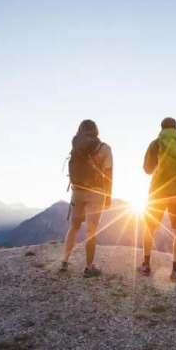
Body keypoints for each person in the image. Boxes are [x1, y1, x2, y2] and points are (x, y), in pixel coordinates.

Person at [137, 117, 176, 282]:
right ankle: (175, 270)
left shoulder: (156, 144)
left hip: (157, 192)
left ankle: (146, 265)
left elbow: (147, 169)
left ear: (161, 128)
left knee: (150, 227)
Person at [60, 119, 113, 277]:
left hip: (77, 191)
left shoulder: (76, 147)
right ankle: (89, 268)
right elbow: (108, 173)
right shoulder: (104, 148)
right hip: (96, 192)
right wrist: (108, 196)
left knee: (74, 226)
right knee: (91, 230)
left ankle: (64, 261)